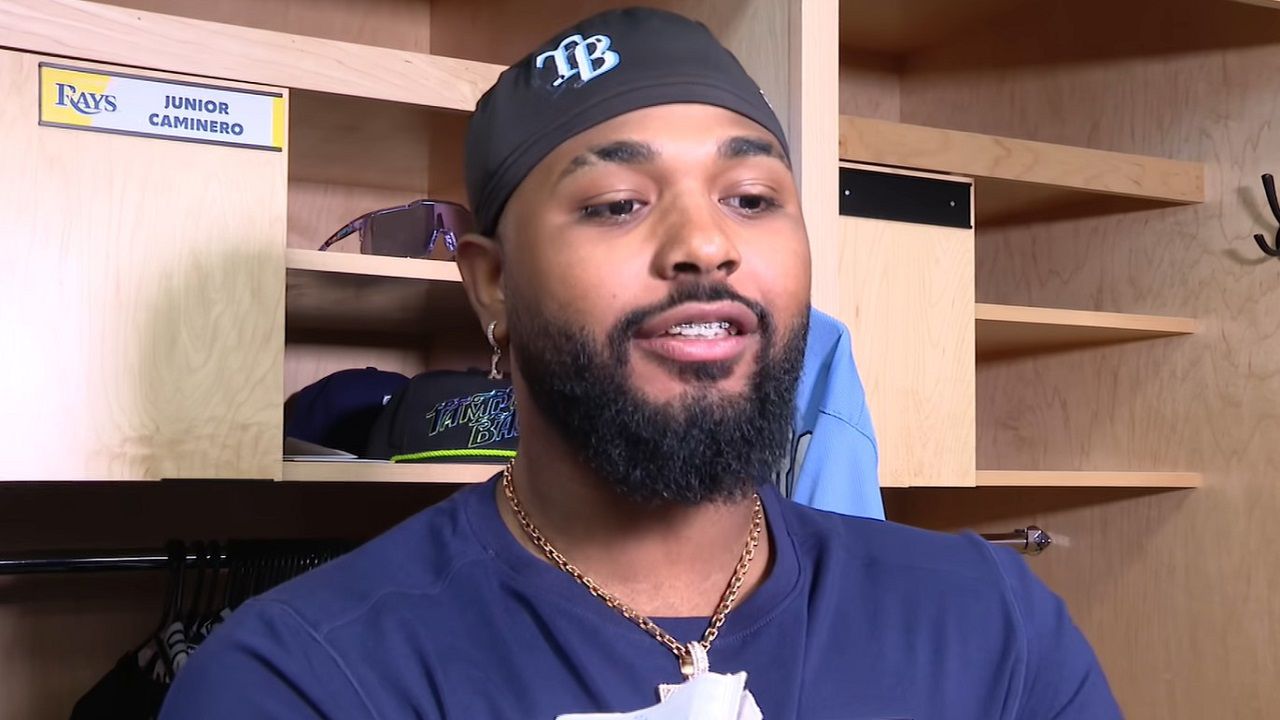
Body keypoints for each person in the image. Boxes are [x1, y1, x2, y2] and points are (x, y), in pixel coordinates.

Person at [160, 7, 1121, 719]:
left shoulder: (994, 632)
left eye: (751, 197)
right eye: (618, 203)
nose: (705, 244)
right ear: (492, 285)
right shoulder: (301, 682)